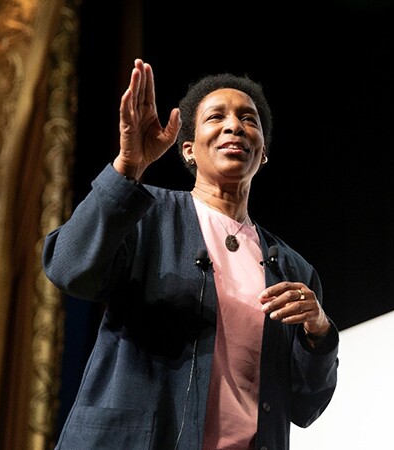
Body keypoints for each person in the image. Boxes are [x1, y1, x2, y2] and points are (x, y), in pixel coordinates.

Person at [43, 59, 338, 449]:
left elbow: (305, 406)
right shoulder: (145, 214)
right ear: (188, 149)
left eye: (248, 119)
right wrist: (128, 168)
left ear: (262, 152)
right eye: (216, 117)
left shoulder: (292, 268)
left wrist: (318, 331)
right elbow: (68, 268)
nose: (234, 125)